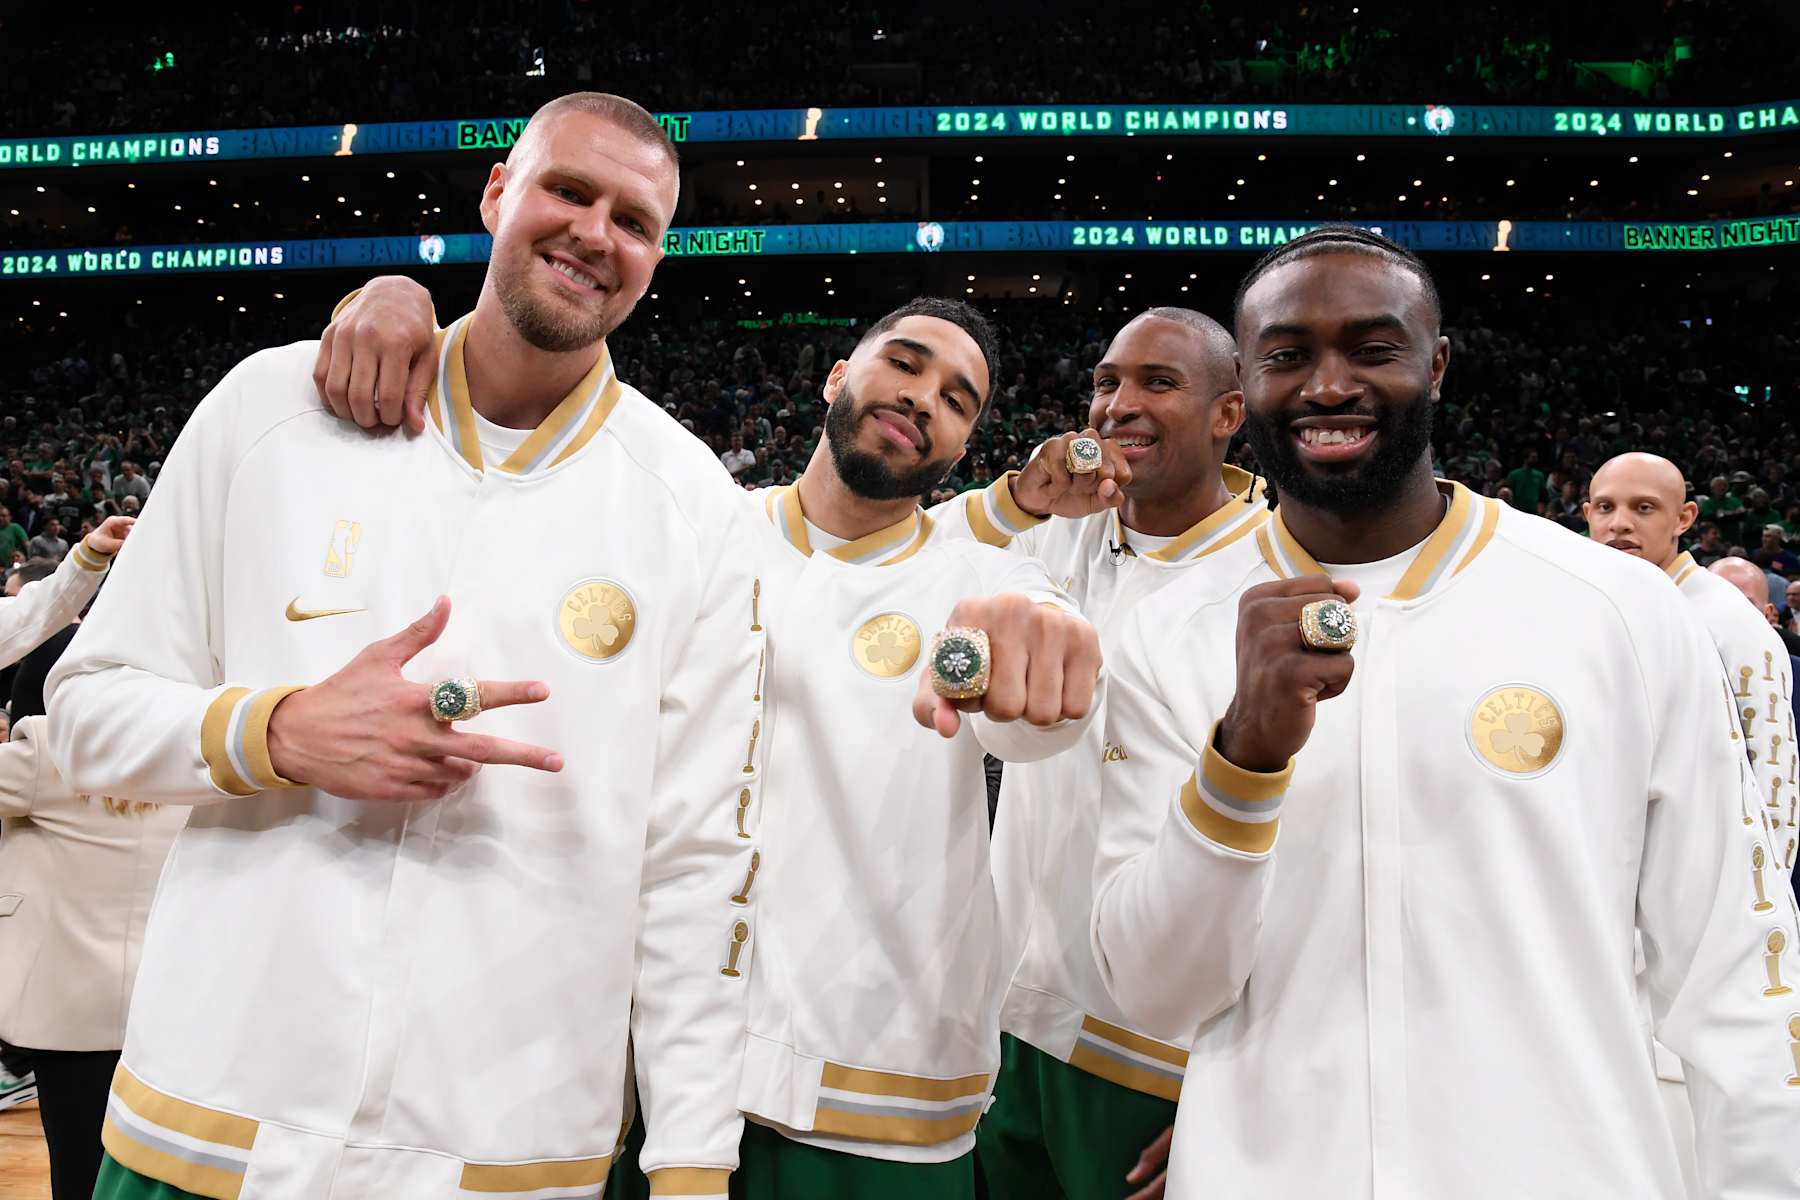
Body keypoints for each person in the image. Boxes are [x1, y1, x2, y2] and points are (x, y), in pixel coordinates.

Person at [46, 93, 765, 1200]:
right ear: (497, 193)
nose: (594, 233)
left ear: (656, 259)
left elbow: (700, 866)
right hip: (213, 1109)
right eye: (568, 191)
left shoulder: (694, 507)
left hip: (509, 1146)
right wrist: (277, 731)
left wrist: (690, 1163)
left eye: (634, 221)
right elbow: (86, 710)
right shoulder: (273, 408)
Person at [315, 283, 1105, 1200]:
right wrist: (397, 297)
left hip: (870, 1098)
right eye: (906, 364)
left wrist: (1048, 659)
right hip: (637, 1073)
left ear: (963, 446)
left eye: (957, 400)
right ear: (837, 376)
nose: (924, 397)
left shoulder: (983, 581)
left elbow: (1041, 698)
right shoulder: (690, 532)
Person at [1089, 226, 1800, 1195]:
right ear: (1245, 386)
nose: (1328, 385)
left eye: (1372, 349)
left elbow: (1738, 967)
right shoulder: (1166, 634)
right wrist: (1240, 762)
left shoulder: (1617, 609)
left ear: (1437, 365)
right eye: (1287, 356)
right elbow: (1155, 991)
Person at [929, 307, 1264, 1200]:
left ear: (1229, 414)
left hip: (1158, 1053)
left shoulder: (1269, 575)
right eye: (1107, 382)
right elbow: (906, 556)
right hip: (1008, 1018)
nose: (1119, 404)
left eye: (1159, 382)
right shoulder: (1056, 531)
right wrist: (1020, 498)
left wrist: (1239, 1087)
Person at [1584, 451, 1800, 1193]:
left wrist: (1751, 926)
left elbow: (1774, 792)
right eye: (1605, 507)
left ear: (1685, 519)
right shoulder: (1596, 607)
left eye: (1642, 508)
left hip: (1701, 918)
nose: (1620, 524)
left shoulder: (1727, 624)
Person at [0, 717, 187, 1200]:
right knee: (141, 1167)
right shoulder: (191, 755)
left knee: (76, 1165)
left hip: (69, 1010)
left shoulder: (53, 752)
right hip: (164, 1002)